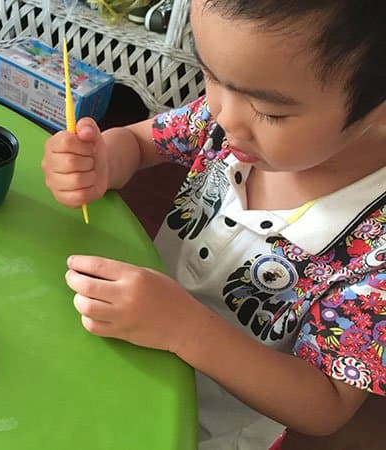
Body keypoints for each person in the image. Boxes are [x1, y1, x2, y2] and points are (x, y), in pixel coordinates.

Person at [41, 1, 386, 448]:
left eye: (270, 111)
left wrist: (185, 330)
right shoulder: (229, 115)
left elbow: (327, 406)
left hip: (206, 429)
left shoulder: (375, 252)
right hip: (118, 355)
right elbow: (139, 142)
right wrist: (100, 160)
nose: (223, 115)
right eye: (211, 74)